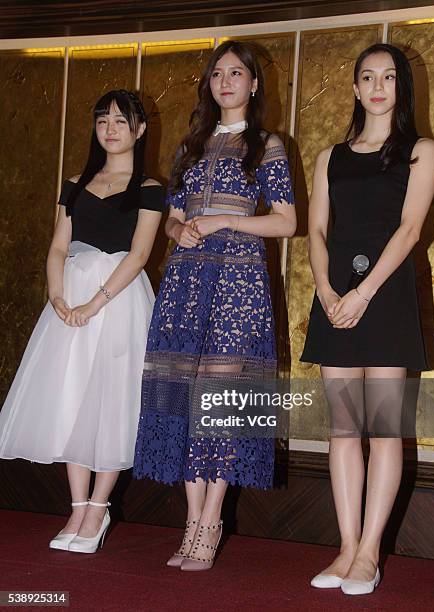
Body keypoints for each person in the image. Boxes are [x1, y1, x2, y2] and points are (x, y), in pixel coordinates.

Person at [134, 40, 296, 571]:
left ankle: (210, 522)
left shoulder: (267, 144)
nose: (225, 80)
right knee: (184, 398)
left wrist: (226, 221)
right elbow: (171, 216)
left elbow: (286, 221)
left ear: (254, 84)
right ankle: (190, 520)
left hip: (238, 283)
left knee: (221, 402)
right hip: (185, 281)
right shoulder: (191, 145)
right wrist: (178, 230)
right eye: (217, 73)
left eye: (236, 72)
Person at [300, 43, 434, 595]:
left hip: (385, 296)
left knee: (383, 431)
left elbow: (410, 231)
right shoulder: (329, 157)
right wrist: (330, 291)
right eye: (367, 77)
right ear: (355, 88)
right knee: (342, 429)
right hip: (335, 298)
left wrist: (363, 293)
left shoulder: (422, 151)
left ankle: (369, 553)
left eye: (389, 77)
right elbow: (314, 231)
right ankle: (344, 547)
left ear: (400, 89)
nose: (378, 86)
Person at [0, 89, 164, 553]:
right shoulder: (75, 183)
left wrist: (96, 301)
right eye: (102, 121)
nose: (110, 129)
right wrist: (56, 294)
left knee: (113, 399)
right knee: (70, 398)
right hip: (69, 299)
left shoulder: (150, 188)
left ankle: (99, 508)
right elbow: (57, 246)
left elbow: (140, 254)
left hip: (117, 300)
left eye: (120, 120)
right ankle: (76, 507)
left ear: (139, 129)